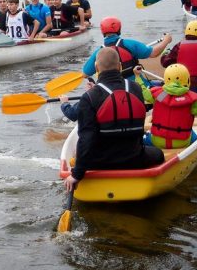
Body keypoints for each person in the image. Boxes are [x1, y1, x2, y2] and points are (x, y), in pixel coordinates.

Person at [62, 47, 165, 192]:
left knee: (79, 156)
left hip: (99, 163)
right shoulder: (135, 89)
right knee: (158, 154)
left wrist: (77, 174)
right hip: (134, 159)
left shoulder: (90, 97)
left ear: (97, 68)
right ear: (120, 66)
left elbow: (86, 138)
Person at [133, 63, 197, 149]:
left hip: (157, 141)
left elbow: (143, 91)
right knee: (193, 135)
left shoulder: (159, 96)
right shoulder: (191, 100)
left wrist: (137, 76)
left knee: (144, 137)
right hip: (181, 143)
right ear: (187, 80)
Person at [81, 16, 171, 78]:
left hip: (112, 89)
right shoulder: (130, 44)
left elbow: (85, 74)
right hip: (135, 85)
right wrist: (166, 41)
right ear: (119, 29)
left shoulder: (99, 52)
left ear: (102, 31)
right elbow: (154, 53)